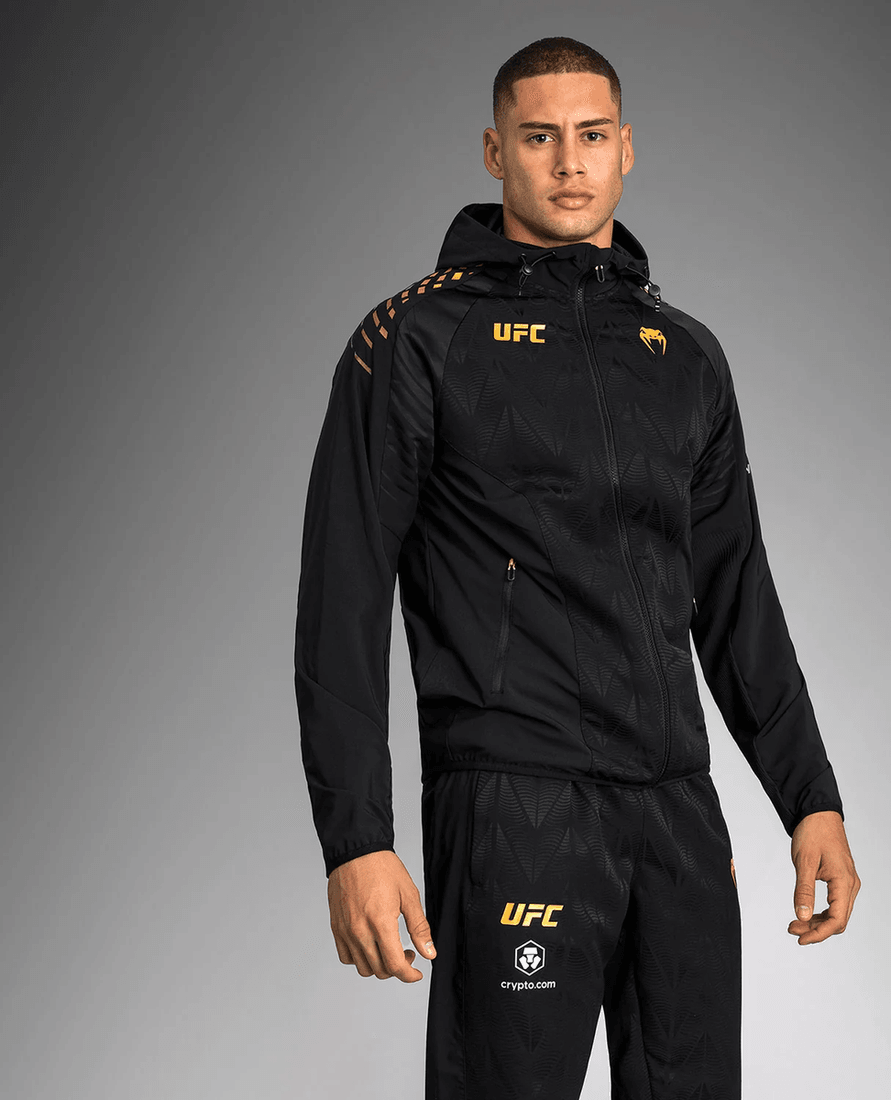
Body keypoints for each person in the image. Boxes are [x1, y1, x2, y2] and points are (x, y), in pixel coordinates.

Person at [294, 35, 860, 1100]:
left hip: (675, 810)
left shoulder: (683, 352)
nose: (567, 162)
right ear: (493, 152)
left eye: (591, 135)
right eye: (538, 137)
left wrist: (809, 798)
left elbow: (736, 594)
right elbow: (342, 593)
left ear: (626, 148)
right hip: (516, 803)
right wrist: (355, 839)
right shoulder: (417, 338)